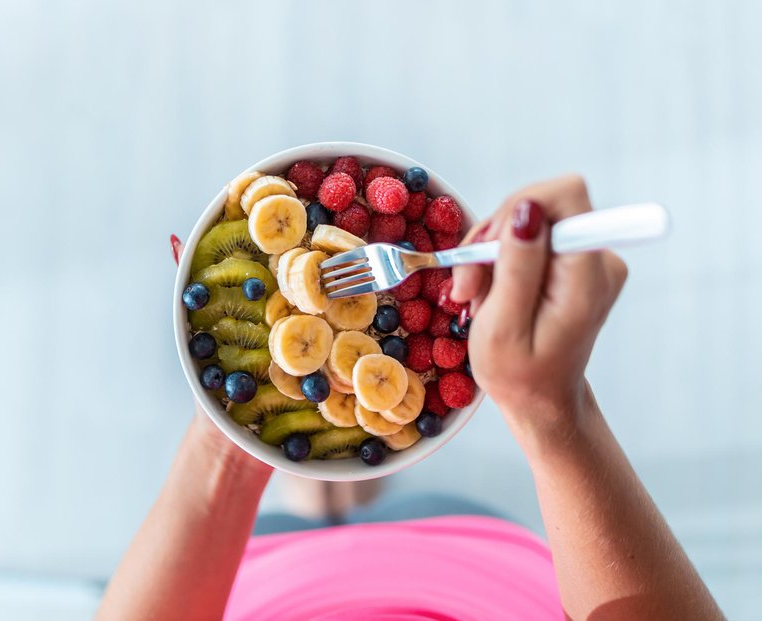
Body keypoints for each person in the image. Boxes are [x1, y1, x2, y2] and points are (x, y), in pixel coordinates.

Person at [95, 176, 723, 620]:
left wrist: (231, 441)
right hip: (461, 544)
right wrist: (553, 414)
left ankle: (313, 460)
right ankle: (335, 456)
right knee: (360, 423)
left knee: (321, 419)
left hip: (254, 574)